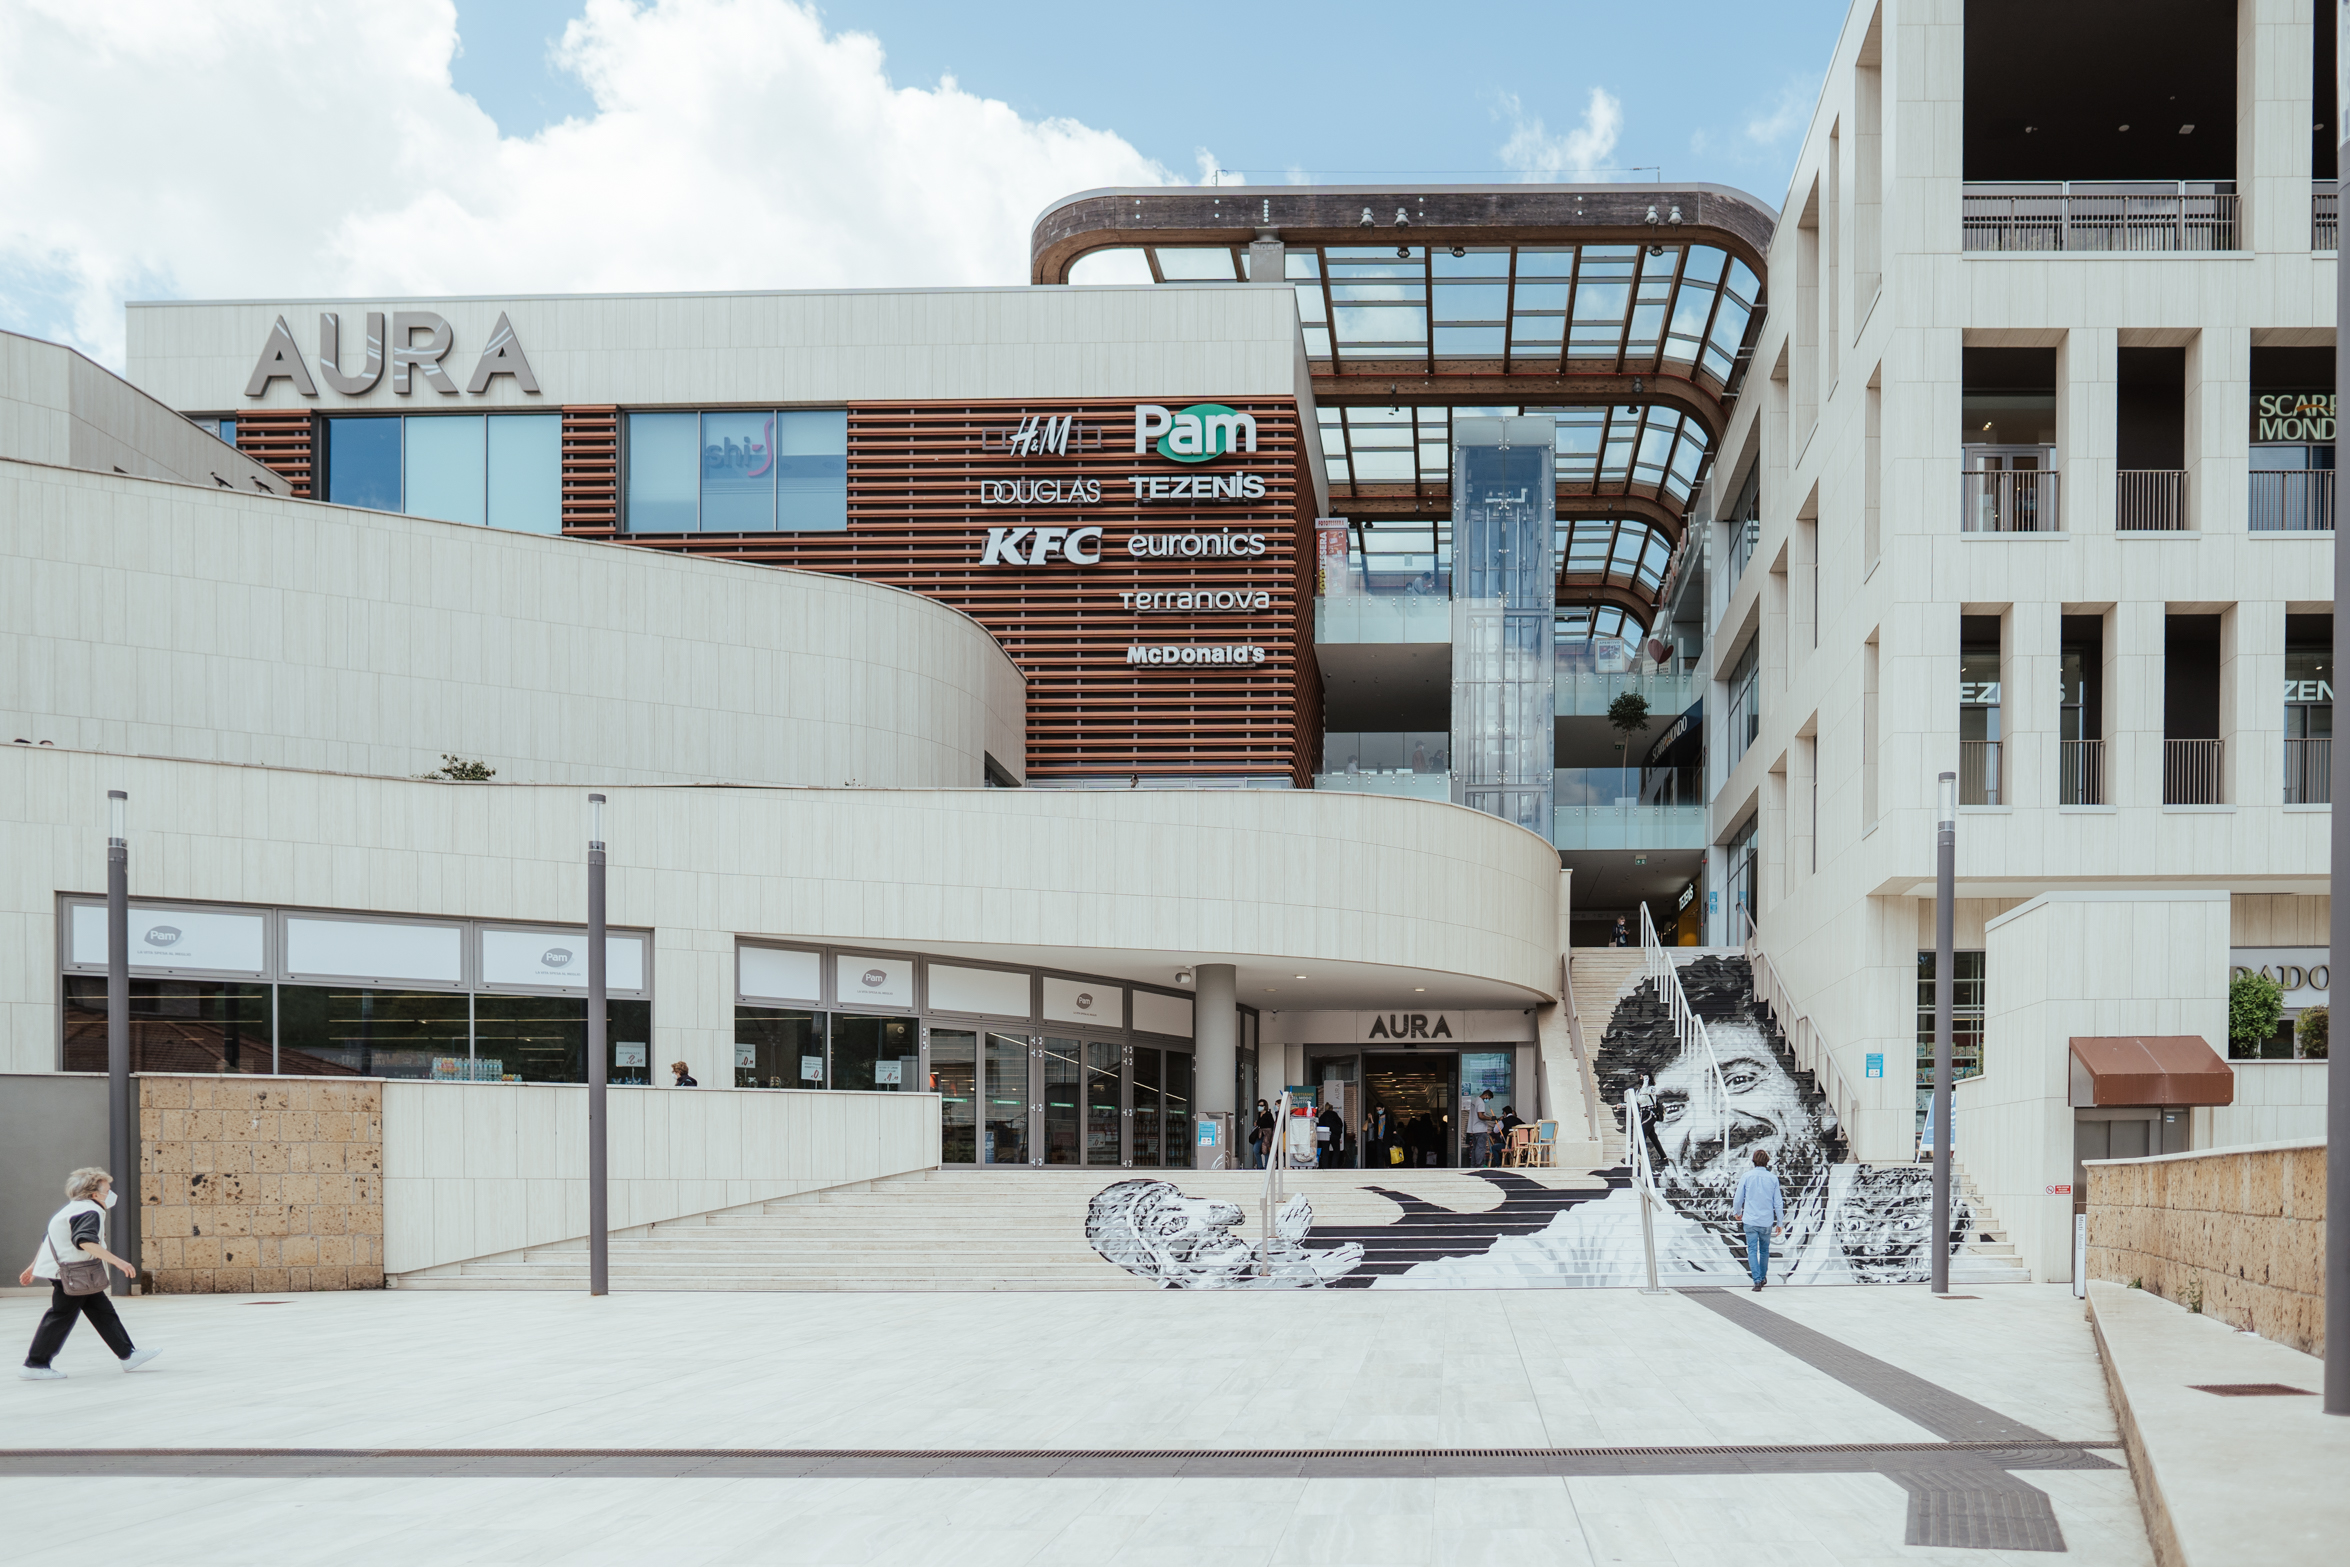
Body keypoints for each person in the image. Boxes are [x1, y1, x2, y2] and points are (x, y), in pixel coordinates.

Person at [19, 1167, 157, 1380]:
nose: (111, 1194)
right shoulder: (89, 1211)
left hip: (73, 1273)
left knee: (102, 1311)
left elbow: (48, 1238)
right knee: (60, 1316)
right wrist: (119, 1262)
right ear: (94, 1194)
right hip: (73, 1274)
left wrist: (33, 1267)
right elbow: (85, 1241)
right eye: (107, 1190)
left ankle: (128, 1355)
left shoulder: (70, 1209)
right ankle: (35, 1364)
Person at [1731, 1147, 1785, 1291]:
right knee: (1764, 1251)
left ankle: (1757, 1281)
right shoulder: (1773, 1178)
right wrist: (1780, 1222)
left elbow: (1738, 1198)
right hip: (1766, 1221)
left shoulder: (1747, 1176)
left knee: (1752, 1250)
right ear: (1767, 1162)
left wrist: (1737, 1212)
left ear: (1753, 1161)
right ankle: (1762, 1277)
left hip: (1750, 1220)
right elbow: (1778, 1203)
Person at [1251, 1100, 1274, 1170]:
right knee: (1255, 1149)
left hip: (1267, 1134)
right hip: (1259, 1134)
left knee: (1265, 1150)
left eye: (1261, 1105)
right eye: (1258, 1105)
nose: (1259, 1107)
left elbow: (1272, 1124)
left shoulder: (1268, 1114)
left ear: (1265, 1106)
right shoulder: (1259, 1114)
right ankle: (1260, 1166)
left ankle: (1267, 1167)